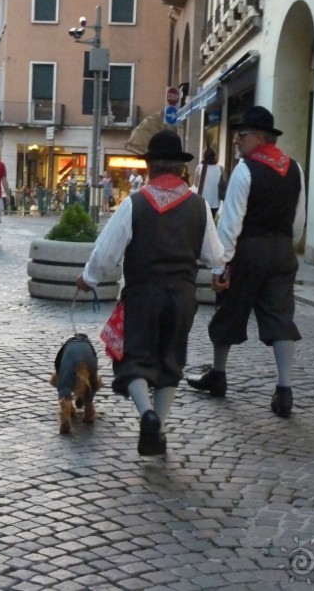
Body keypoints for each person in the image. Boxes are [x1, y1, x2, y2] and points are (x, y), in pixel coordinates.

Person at [76, 130, 225, 456]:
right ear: (180, 169)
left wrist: (88, 278)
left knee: (133, 361)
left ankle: (147, 415)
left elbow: (106, 254)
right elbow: (216, 255)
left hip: (144, 296)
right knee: (170, 362)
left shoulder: (136, 204)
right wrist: (217, 274)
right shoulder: (199, 207)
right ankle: (157, 428)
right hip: (183, 298)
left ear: (151, 168)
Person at [186, 106, 307, 418]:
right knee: (281, 317)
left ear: (259, 137)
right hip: (282, 251)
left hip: (249, 250)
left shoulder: (246, 169)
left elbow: (231, 222)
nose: (237, 140)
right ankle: (284, 389)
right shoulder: (295, 168)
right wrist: (285, 246)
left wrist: (220, 264)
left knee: (229, 310)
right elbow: (298, 221)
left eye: (242, 134)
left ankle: (218, 374)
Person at [193, 147, 225, 217]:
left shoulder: (199, 167)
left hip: (201, 201)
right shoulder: (220, 168)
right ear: (214, 156)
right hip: (215, 203)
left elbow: (195, 184)